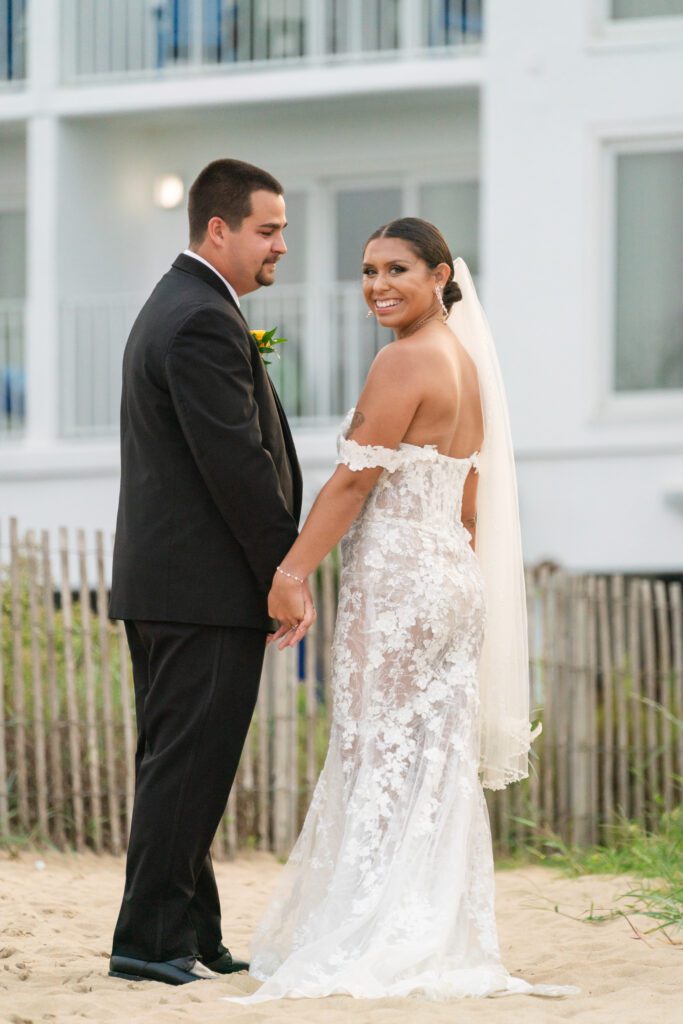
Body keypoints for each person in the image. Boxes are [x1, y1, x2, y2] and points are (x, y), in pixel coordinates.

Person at [231, 218, 578, 1002]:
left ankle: (385, 927)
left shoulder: (402, 362)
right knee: (429, 759)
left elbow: (353, 485)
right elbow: (470, 496)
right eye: (366, 271)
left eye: (396, 269)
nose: (377, 286)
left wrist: (292, 572)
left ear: (440, 275)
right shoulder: (465, 363)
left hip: (399, 581)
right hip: (450, 576)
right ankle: (434, 924)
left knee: (378, 752)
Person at [108, 158, 315, 986]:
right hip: (201, 591)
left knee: (176, 763)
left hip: (170, 587)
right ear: (218, 229)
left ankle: (190, 932)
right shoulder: (199, 319)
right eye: (268, 231)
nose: (281, 247)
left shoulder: (185, 305)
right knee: (188, 767)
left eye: (283, 232)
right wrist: (285, 570)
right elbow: (235, 463)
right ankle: (149, 942)